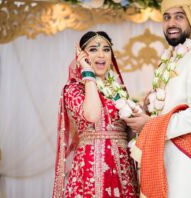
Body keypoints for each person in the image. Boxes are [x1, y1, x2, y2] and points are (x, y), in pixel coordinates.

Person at [124, 0, 191, 198]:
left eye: (179, 17)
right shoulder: (171, 58)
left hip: (185, 158)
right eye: (167, 17)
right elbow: (168, 106)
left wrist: (150, 125)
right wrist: (146, 111)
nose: (171, 23)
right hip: (163, 154)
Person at [52, 31, 139, 198]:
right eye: (93, 49)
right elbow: (92, 114)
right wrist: (87, 72)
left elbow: (129, 133)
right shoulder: (74, 89)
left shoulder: (117, 92)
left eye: (106, 49)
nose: (101, 54)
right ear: (82, 56)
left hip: (122, 169)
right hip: (90, 168)